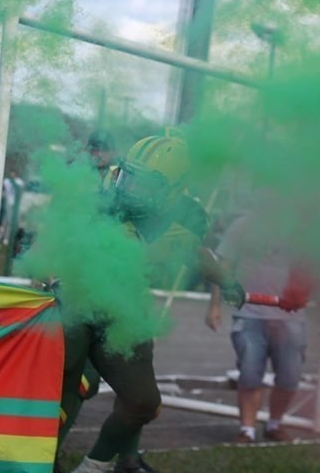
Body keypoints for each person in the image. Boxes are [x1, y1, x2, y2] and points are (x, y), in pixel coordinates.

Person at [64, 133, 246, 473]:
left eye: (145, 184)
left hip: (123, 310)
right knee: (67, 388)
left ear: (171, 192)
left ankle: (98, 466)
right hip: (76, 301)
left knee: (143, 401)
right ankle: (37, 462)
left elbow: (195, 254)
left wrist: (229, 282)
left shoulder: (179, 216)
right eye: (129, 178)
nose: (131, 189)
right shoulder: (98, 187)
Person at [205, 207, 312, 444]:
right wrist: (214, 306)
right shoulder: (243, 226)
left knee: (289, 377)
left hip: (291, 317)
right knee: (250, 375)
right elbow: (222, 267)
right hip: (250, 313)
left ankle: (274, 424)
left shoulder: (303, 230)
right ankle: (247, 429)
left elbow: (318, 270)